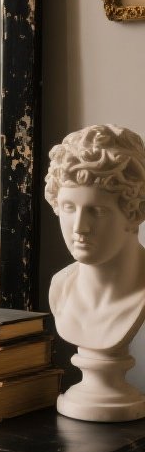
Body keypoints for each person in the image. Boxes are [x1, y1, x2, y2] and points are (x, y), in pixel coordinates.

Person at [45, 124, 145, 419]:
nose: (80, 228)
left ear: (135, 212)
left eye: (97, 211)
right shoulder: (61, 288)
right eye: (68, 208)